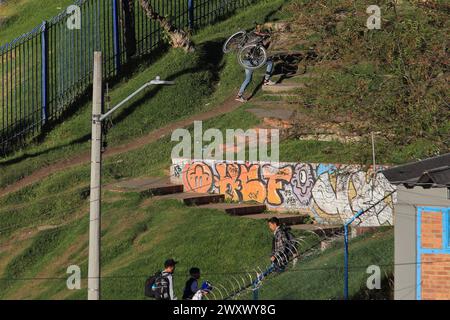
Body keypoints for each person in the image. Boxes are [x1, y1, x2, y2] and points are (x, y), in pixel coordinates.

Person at [236, 28, 276, 102]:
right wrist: (269, 40)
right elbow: (262, 48)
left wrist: (268, 42)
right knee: (270, 62)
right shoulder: (258, 41)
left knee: (248, 79)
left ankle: (239, 95)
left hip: (245, 61)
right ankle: (266, 80)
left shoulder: (252, 40)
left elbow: (263, 49)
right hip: (252, 61)